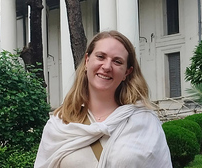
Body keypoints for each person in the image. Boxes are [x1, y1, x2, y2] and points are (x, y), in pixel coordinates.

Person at [34, 30, 172, 168]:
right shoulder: (60, 123)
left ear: (127, 72)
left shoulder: (145, 122)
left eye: (117, 61)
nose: (106, 67)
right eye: (101, 57)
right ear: (87, 61)